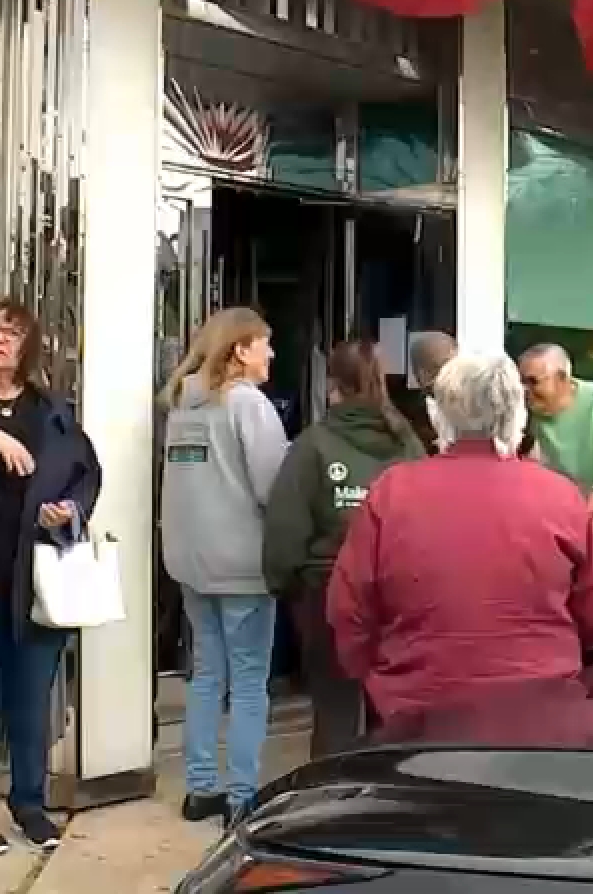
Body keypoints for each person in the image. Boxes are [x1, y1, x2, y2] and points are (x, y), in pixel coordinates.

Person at [326, 352, 593, 726]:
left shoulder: (392, 492)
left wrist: (378, 676)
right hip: (540, 711)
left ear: (438, 415)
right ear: (518, 415)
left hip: (416, 712)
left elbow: (349, 609)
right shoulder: (558, 495)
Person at [0, 299, 102, 857]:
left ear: (28, 348)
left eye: (11, 332)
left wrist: (68, 513)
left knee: (30, 703)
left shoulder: (51, 411)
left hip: (35, 578)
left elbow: (85, 474)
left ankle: (29, 803)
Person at [262, 338, 425, 758]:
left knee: (334, 709)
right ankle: (387, 787)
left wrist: (285, 585)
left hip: (327, 591)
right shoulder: (408, 444)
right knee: (390, 709)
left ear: (333, 386)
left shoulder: (313, 445)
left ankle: (334, 790)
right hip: (396, 592)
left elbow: (286, 526)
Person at [159, 307, 289, 826]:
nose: (271, 353)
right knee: (250, 681)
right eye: (264, 343)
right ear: (240, 349)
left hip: (191, 562)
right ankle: (241, 796)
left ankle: (200, 790)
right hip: (242, 565)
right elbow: (273, 487)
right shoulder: (248, 404)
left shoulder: (181, 403)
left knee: (207, 674)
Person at [519, 344, 593, 570]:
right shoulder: (524, 412)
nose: (525, 390)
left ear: (562, 379)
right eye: (521, 382)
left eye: (533, 382)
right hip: (555, 518)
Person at [407, 330, 458, 452]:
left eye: (456, 364)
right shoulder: (409, 416)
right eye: (443, 365)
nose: (452, 372)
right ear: (420, 374)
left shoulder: (474, 409)